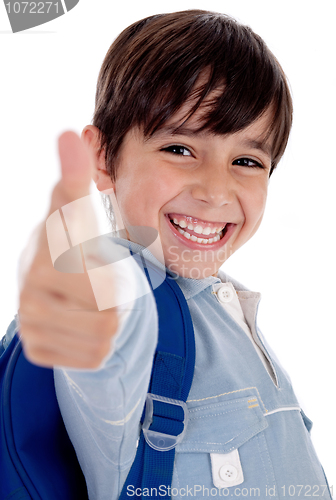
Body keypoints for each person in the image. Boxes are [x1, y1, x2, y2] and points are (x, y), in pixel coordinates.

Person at [3, 9, 332, 500]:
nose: (217, 191)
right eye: (179, 148)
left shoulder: (227, 306)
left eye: (246, 160)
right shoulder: (121, 299)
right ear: (103, 156)